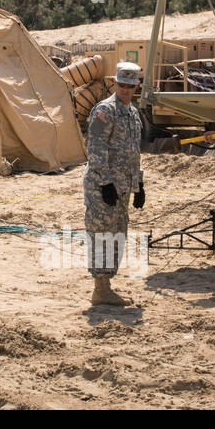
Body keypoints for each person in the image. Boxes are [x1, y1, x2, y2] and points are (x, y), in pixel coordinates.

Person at [83, 61, 145, 306]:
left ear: (137, 85)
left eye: (130, 85)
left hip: (123, 187)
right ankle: (100, 288)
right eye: (121, 84)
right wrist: (106, 182)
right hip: (102, 186)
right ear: (114, 82)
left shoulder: (132, 113)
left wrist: (139, 184)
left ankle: (106, 286)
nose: (125, 89)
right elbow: (95, 147)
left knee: (118, 233)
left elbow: (134, 151)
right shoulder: (104, 110)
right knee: (101, 235)